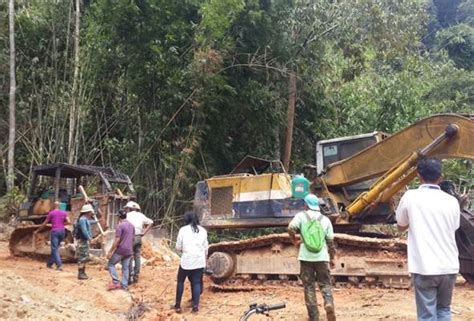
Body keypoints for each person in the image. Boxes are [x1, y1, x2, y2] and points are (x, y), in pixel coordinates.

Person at [396, 157, 460, 321]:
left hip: (424, 267)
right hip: (449, 267)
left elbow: (401, 225)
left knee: (427, 315)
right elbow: (454, 227)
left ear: (419, 176)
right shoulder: (452, 201)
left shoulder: (410, 197)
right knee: (444, 310)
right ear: (441, 177)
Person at [288, 194, 336, 321]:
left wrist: (294, 241)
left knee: (309, 286)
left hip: (305, 257)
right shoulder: (325, 220)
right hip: (322, 257)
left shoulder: (301, 216)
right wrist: (332, 258)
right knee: (325, 284)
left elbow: (291, 228)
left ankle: (314, 317)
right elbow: (330, 242)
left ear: (305, 205)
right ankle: (328, 303)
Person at [173, 212, 208, 314]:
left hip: (186, 260)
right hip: (199, 261)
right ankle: (195, 307)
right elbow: (206, 248)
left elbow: (178, 247)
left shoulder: (183, 230)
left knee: (180, 281)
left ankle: (178, 306)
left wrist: (183, 251)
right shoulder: (203, 231)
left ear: (186, 220)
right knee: (196, 282)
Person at [34, 201, 70, 271]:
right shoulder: (64, 213)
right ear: (59, 206)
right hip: (62, 231)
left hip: (55, 231)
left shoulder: (51, 213)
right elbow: (69, 222)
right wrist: (62, 224)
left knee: (54, 249)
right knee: (56, 248)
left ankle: (59, 265)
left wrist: (38, 230)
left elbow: (45, 223)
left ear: (53, 206)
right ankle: (49, 264)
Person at [124, 201, 153, 284]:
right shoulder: (141, 215)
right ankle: (136, 276)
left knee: (129, 257)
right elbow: (151, 222)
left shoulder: (127, 215)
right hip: (139, 237)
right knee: (137, 256)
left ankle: (129, 277)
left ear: (129, 208)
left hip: (130, 237)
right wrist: (144, 232)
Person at [106, 209, 135, 291]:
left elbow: (117, 240)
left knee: (111, 264)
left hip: (121, 249)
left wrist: (110, 251)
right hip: (129, 250)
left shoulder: (120, 226)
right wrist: (131, 250)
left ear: (119, 217)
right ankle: (124, 286)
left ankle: (115, 282)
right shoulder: (132, 226)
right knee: (125, 267)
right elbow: (132, 239)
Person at [75, 203, 97, 280]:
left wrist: (97, 221)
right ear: (88, 212)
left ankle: (82, 272)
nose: (92, 213)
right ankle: (81, 274)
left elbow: (90, 222)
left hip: (84, 241)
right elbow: (84, 230)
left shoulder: (84, 219)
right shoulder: (82, 219)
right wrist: (90, 239)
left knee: (84, 257)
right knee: (82, 257)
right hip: (83, 241)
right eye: (91, 212)